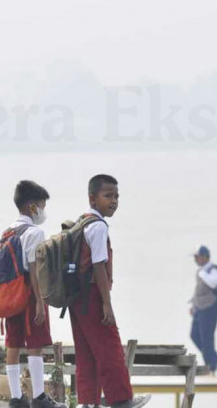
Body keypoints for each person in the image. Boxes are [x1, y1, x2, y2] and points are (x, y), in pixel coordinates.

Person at [68, 175, 150, 408]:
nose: (113, 201)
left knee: (86, 352)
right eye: (108, 196)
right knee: (109, 348)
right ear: (92, 199)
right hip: (93, 295)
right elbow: (98, 266)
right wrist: (107, 302)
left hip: (76, 297)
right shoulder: (98, 226)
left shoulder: (81, 221)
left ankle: (88, 402)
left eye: (116, 197)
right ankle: (121, 400)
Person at [4, 181, 65, 408]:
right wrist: (40, 301)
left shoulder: (9, 230)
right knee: (34, 344)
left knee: (13, 343)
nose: (43, 211)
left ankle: (15, 397)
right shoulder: (34, 232)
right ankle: (39, 396)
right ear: (32, 207)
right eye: (41, 205)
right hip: (30, 293)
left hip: (11, 294)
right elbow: (35, 267)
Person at [189, 245, 217, 374]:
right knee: (194, 335)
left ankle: (211, 366)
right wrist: (193, 306)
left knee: (207, 338)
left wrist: (203, 273)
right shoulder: (201, 271)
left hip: (209, 309)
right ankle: (215, 358)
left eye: (197, 257)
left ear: (204, 257)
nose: (195, 260)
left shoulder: (212, 270)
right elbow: (198, 291)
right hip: (199, 308)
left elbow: (214, 283)